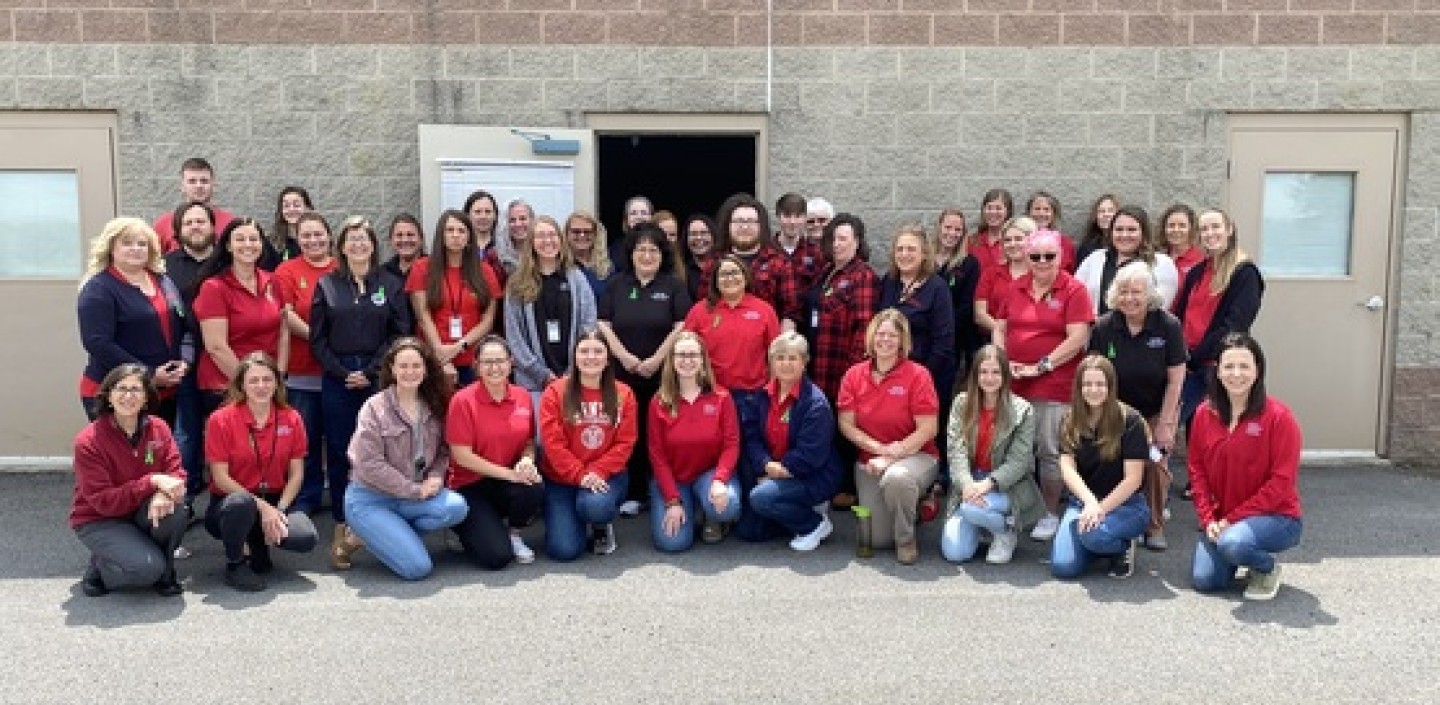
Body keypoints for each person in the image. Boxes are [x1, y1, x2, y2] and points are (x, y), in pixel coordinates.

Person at [310, 216, 412, 567]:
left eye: (363, 239)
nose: (358, 245)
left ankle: (384, 517)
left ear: (373, 244)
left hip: (379, 376)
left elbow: (400, 333)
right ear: (341, 246)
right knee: (341, 451)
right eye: (351, 239)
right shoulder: (326, 285)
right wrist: (343, 373)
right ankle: (343, 520)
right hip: (337, 378)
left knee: (384, 448)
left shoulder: (390, 284)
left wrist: (370, 371)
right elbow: (317, 339)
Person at [992, 229, 1094, 542]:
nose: (1041, 262)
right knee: (1013, 450)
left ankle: (1049, 512)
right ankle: (1021, 508)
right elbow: (1000, 326)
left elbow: (1078, 338)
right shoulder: (1015, 287)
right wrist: (1002, 361)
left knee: (1050, 452)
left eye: (1049, 256)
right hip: (1015, 384)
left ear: (1060, 257)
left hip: (1054, 385)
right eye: (1035, 256)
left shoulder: (1074, 290)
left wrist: (1042, 365)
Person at [1188, 333, 1302, 600]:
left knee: (1234, 543)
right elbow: (1197, 470)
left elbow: (1281, 483)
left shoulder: (1279, 418)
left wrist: (1232, 521)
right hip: (1223, 520)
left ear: (1257, 370)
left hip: (1277, 518)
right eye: (1228, 366)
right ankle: (1238, 549)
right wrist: (1208, 520)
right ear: (1217, 371)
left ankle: (1266, 567)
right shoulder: (1204, 414)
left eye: (1244, 366)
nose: (1236, 374)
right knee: (1206, 581)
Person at [344, 338, 468, 580]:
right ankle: (368, 531)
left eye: (416, 366)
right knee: (417, 569)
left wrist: (434, 476)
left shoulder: (434, 404)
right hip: (372, 498)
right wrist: (414, 490)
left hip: (415, 493)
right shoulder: (374, 408)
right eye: (403, 366)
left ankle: (378, 535)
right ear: (392, 369)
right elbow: (369, 465)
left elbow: (444, 450)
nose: (410, 372)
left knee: (457, 507)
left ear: (425, 369)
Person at [1088, 261, 1186, 551]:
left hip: (1156, 411)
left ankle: (1154, 525)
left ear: (1150, 294)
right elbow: (1093, 374)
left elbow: (1176, 381)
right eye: (1124, 291)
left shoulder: (1168, 325)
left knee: (1155, 464)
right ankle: (1112, 514)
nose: (1130, 298)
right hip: (1114, 412)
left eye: (1137, 292)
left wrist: (1166, 424)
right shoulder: (1105, 326)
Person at [70, 364, 189, 597]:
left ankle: (166, 572)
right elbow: (103, 501)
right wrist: (152, 481)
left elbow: (176, 474)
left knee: (178, 508)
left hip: (143, 511)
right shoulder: (88, 441)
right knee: (146, 569)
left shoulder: (159, 428)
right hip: (100, 519)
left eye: (136, 389)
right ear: (109, 397)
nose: (128, 396)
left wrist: (164, 493)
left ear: (146, 397)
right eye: (121, 389)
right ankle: (101, 566)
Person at [203, 353, 318, 592]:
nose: (261, 386)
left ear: (277, 383)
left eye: (267, 379)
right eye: (253, 380)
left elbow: (296, 474)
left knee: (305, 538)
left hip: (276, 499)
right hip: (232, 502)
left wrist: (280, 510)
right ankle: (235, 563)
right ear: (241, 384)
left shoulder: (292, 417)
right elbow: (220, 478)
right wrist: (263, 508)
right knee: (241, 504)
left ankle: (256, 541)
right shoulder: (221, 420)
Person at [597, 223, 690, 516]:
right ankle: (635, 492)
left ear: (662, 254)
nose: (647, 255)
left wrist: (656, 358)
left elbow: (682, 325)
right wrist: (623, 355)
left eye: (653, 250)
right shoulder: (616, 284)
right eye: (641, 249)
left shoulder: (673, 285)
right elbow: (603, 322)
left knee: (663, 435)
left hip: (662, 376)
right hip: (623, 375)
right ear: (631, 253)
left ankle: (663, 489)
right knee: (629, 434)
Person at [1171, 208, 1264, 499]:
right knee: (1179, 422)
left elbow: (1234, 325)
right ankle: (1197, 483)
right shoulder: (1200, 270)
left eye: (1216, 227)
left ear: (1230, 229)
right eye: (1205, 229)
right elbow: (1181, 314)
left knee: (1218, 430)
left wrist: (1195, 357)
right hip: (1188, 362)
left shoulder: (1245, 273)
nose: (1210, 234)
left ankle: (1220, 494)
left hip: (1217, 365)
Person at [837, 311, 940, 564]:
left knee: (898, 478)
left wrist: (893, 455)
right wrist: (880, 450)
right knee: (877, 540)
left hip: (916, 455)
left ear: (902, 341)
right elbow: (846, 425)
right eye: (880, 334)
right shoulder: (853, 375)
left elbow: (928, 429)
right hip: (871, 460)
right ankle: (914, 506)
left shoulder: (918, 375)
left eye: (892, 335)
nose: (885, 340)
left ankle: (906, 538)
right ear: (871, 339)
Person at [447, 336, 546, 569]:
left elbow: (529, 441)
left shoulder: (521, 396)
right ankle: (462, 528)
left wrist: (526, 461)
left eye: (500, 361)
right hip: (470, 485)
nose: (494, 368)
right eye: (487, 362)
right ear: (477, 366)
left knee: (533, 486)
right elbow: (461, 456)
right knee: (497, 558)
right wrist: (511, 475)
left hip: (504, 481)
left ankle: (514, 534)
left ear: (511, 363)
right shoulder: (462, 401)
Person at [538, 331, 638, 561]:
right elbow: (553, 444)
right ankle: (570, 519)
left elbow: (625, 443)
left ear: (607, 357)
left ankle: (600, 524)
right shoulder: (555, 392)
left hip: (606, 477)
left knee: (595, 505)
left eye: (597, 351)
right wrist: (580, 475)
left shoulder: (624, 393)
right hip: (562, 478)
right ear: (574, 356)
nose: (590, 357)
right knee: (564, 550)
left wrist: (595, 472)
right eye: (584, 351)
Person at [738, 332, 843, 549]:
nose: (786, 364)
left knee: (761, 499)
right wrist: (765, 464)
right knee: (750, 531)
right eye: (780, 357)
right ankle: (790, 508)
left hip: (813, 475)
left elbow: (809, 456)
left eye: (793, 358)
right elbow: (752, 437)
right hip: (773, 468)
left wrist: (774, 475)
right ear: (772, 362)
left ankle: (813, 524)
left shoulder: (816, 404)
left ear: (804, 363)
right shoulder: (763, 395)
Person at [77, 218, 187, 423]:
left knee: (154, 453)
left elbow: (183, 324)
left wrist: (184, 362)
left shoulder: (163, 280)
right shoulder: (99, 288)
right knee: (123, 453)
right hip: (116, 393)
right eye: (127, 243)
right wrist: (148, 375)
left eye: (142, 243)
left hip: (162, 393)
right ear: (110, 248)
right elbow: (97, 343)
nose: (135, 249)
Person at [1051, 355, 1151, 580]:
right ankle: (1095, 545)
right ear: (1078, 387)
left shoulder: (1130, 420)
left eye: (1100, 384)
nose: (1093, 390)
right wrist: (1090, 503)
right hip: (1084, 503)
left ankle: (1121, 546)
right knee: (1063, 567)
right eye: (1087, 384)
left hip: (1127, 505)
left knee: (1094, 535)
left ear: (1110, 386)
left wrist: (1100, 509)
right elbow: (1067, 469)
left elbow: (1133, 479)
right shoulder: (1069, 419)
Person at [939, 345, 1042, 564]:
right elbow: (955, 450)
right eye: (983, 372)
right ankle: (981, 526)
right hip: (969, 482)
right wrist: (966, 484)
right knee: (955, 553)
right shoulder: (961, 404)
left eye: (995, 372)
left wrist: (987, 484)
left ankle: (1004, 532)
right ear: (975, 375)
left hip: (1006, 486)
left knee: (970, 508)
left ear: (1005, 375)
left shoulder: (1023, 410)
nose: (989, 378)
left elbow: (1019, 462)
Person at [683, 254, 782, 481]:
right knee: (714, 450)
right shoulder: (700, 312)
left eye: (735, 272)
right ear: (715, 281)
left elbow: (776, 355)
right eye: (723, 274)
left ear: (745, 277)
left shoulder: (763, 310)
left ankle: (750, 506)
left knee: (750, 453)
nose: (730, 278)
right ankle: (718, 503)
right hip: (711, 395)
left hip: (752, 396)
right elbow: (684, 351)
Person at [647, 332, 743, 552]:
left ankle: (712, 516)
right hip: (674, 478)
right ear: (672, 360)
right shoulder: (659, 402)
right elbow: (657, 455)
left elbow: (731, 444)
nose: (687, 360)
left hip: (709, 475)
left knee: (725, 506)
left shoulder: (722, 397)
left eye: (693, 354)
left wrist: (719, 481)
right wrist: (672, 501)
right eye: (681, 354)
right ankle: (688, 507)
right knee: (673, 543)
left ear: (702, 360)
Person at [505, 215, 599, 423]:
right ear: (531, 242)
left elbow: (589, 324)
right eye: (540, 236)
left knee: (571, 438)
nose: (548, 241)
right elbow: (514, 335)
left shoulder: (576, 278)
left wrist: (573, 370)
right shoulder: (517, 283)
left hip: (573, 378)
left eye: (552, 234)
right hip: (533, 382)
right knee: (538, 441)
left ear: (561, 239)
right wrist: (541, 374)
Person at [192, 218, 289, 416]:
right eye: (240, 239)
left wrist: (276, 379)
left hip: (267, 387)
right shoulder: (214, 287)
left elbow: (284, 333)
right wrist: (248, 384)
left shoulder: (273, 282)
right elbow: (216, 347)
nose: (248, 245)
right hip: (226, 385)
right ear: (228, 245)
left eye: (254, 239)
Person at [272, 211, 335, 514]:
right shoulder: (286, 270)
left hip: (338, 370)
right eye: (306, 235)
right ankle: (307, 497)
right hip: (302, 371)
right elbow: (287, 314)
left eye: (318, 233)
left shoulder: (341, 267)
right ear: (298, 238)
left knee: (339, 439)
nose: (313, 240)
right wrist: (321, 340)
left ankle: (341, 497)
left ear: (329, 235)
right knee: (305, 441)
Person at [877, 224, 955, 436]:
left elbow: (944, 342)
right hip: (890, 375)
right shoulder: (889, 282)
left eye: (911, 249)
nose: (904, 254)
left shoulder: (937, 288)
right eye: (900, 249)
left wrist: (919, 378)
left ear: (924, 254)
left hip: (927, 377)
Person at [406, 209, 499, 388]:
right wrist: (441, 354)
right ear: (441, 235)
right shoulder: (422, 268)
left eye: (461, 230)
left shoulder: (485, 271)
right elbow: (423, 317)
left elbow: (487, 321)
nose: (455, 235)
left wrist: (459, 346)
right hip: (433, 359)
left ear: (469, 237)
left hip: (473, 361)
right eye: (449, 230)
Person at [163, 201, 217, 504]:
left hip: (222, 360)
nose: (196, 227)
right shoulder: (165, 266)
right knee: (186, 433)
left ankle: (225, 499)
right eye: (189, 223)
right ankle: (186, 497)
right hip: (184, 363)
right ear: (179, 230)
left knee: (227, 431)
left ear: (212, 227)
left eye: (201, 221)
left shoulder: (225, 262)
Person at [803, 213, 877, 404]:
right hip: (817, 367)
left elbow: (864, 329)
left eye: (843, 239)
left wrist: (852, 376)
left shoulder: (863, 276)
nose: (836, 244)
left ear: (857, 242)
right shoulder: (826, 271)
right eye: (833, 239)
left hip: (839, 373)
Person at [698, 193, 800, 330]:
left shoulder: (779, 263)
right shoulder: (713, 262)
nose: (745, 227)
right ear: (728, 225)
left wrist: (782, 346)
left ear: (761, 226)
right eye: (739, 221)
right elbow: (704, 306)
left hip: (766, 345)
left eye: (750, 221)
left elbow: (790, 313)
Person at [1074, 205, 1180, 314]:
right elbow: (1075, 297)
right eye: (1119, 229)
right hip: (1096, 329)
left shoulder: (1161, 263)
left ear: (1143, 233)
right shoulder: (1094, 259)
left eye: (1131, 229)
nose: (1124, 235)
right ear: (1111, 232)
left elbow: (1160, 306)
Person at [934, 208, 983, 378]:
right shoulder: (923, 259)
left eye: (957, 230)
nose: (952, 233)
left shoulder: (969, 264)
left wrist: (943, 329)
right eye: (948, 227)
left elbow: (966, 306)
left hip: (952, 340)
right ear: (939, 227)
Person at [973, 216, 1036, 345]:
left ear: (1032, 240)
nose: (1012, 244)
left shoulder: (1040, 273)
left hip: (1033, 341)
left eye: (1018, 239)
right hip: (993, 342)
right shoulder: (990, 274)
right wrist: (1003, 332)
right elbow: (980, 314)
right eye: (1007, 240)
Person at [152, 157, 235, 253]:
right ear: (182, 186)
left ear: (213, 185)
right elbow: (151, 263)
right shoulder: (164, 224)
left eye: (204, 181)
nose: (199, 186)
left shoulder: (230, 223)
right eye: (192, 181)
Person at [773, 192, 826, 294]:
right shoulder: (765, 253)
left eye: (798, 216)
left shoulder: (816, 253)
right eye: (787, 216)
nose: (793, 222)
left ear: (805, 218)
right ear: (778, 217)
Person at [462, 189, 509, 289]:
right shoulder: (460, 248)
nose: (483, 216)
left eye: (488, 212)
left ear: (495, 215)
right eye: (477, 212)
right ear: (467, 215)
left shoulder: (506, 248)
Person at [260, 185, 312, 270]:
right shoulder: (271, 243)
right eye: (286, 206)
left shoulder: (318, 239)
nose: (291, 209)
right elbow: (267, 275)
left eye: (296, 205)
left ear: (308, 208)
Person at [1024, 191, 1078, 272]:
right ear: (1029, 213)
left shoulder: (1065, 244)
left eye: (1046, 209)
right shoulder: (1020, 241)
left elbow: (1071, 274)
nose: (1041, 213)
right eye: (1037, 209)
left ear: (1053, 214)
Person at [566, 210, 612, 300]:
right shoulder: (560, 266)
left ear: (595, 234)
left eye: (587, 231)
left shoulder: (607, 267)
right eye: (576, 231)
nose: (582, 235)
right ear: (567, 234)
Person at [970, 188, 1014, 276]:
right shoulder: (972, 241)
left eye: (998, 208)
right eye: (989, 208)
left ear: (1007, 212)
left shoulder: (1013, 242)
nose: (993, 212)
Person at [1158, 204, 1205, 281]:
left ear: (1191, 228)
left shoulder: (1201, 259)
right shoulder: (1158, 257)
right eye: (1171, 225)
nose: (1176, 230)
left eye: (1182, 225)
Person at [1076, 194, 1120, 266]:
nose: (1106, 214)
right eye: (1101, 211)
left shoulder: (1126, 245)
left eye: (1111, 210)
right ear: (1096, 217)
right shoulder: (1087, 248)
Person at [680, 214, 716, 301]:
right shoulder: (680, 269)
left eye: (704, 233)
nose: (699, 238)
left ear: (713, 236)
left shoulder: (724, 266)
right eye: (693, 234)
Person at [382, 213, 426, 281]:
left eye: (410, 234)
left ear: (421, 239)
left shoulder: (433, 270)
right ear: (391, 240)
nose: (405, 240)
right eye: (399, 235)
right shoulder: (383, 273)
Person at [497, 199, 535, 274]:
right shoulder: (497, 257)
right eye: (512, 220)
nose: (518, 224)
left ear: (532, 220)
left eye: (522, 218)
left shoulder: (541, 253)